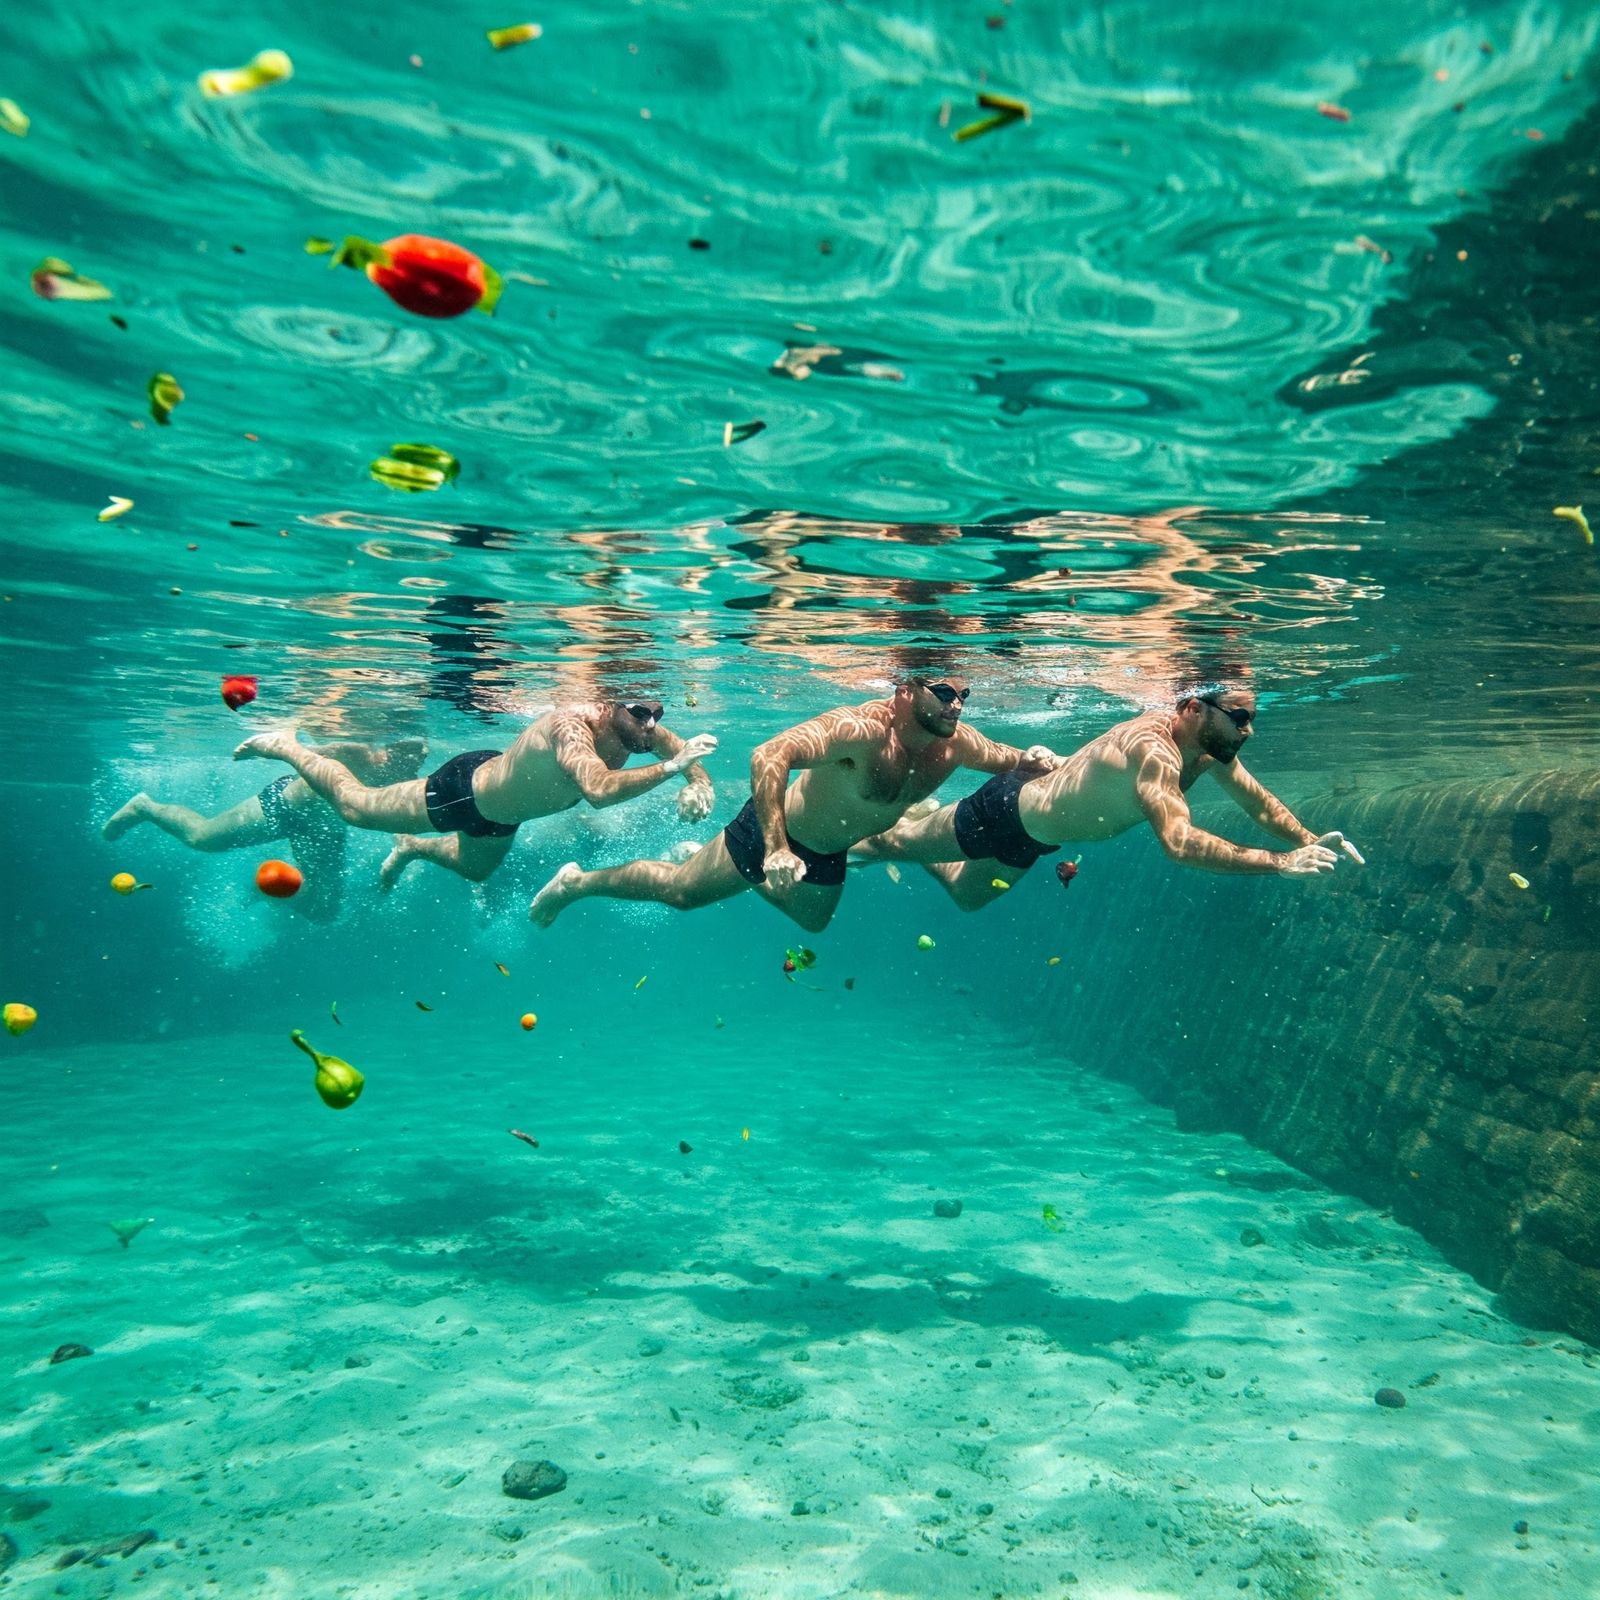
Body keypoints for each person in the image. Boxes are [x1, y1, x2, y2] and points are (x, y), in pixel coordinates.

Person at [529, 673, 1058, 932]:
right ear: (904, 690)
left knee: (815, 923)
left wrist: (1030, 760)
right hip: (775, 832)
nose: (956, 704)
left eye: (964, 695)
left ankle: (731, 865)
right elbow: (769, 754)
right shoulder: (862, 729)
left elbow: (1002, 756)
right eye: (944, 692)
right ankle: (577, 883)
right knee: (682, 892)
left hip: (827, 849)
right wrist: (777, 849)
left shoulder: (955, 743)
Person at [851, 687, 1363, 907]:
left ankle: (917, 829)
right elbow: (1180, 844)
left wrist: (1307, 838)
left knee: (967, 897)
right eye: (1240, 717)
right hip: (1005, 810)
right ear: (1191, 708)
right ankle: (810, 847)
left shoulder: (1209, 752)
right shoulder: (1155, 751)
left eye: (1252, 718)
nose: (1248, 731)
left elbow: (1259, 802)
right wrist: (1279, 863)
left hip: (1039, 839)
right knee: (880, 849)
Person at [232, 700, 716, 889]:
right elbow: (598, 790)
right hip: (463, 792)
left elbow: (676, 746)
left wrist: (697, 782)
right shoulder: (574, 728)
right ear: (613, 704)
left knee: (475, 868)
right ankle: (288, 748)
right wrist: (673, 770)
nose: (652, 723)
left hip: (505, 813)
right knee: (354, 807)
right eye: (640, 713)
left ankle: (411, 846)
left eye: (657, 712)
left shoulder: (638, 729)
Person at [101, 739, 428, 921]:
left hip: (325, 831)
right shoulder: (356, 751)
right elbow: (309, 753)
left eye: (420, 755)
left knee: (324, 912)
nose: (420, 760)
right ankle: (145, 807)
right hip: (284, 807)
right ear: (392, 750)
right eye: (414, 754)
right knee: (202, 837)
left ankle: (268, 891)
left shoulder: (405, 774)